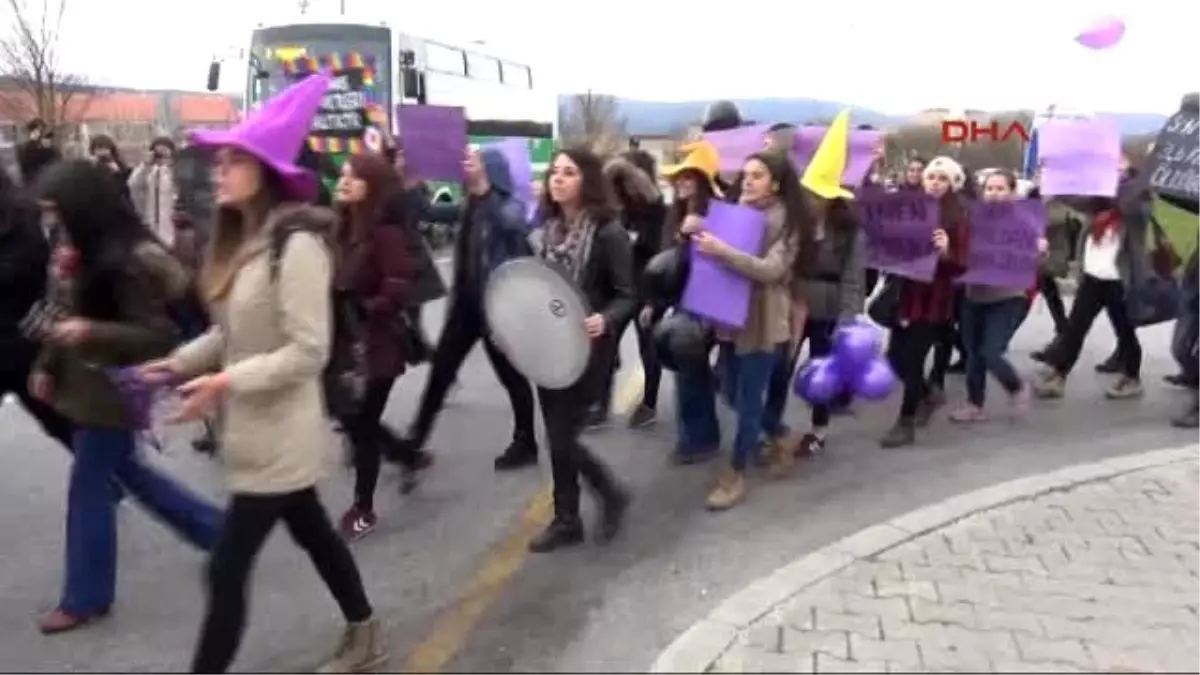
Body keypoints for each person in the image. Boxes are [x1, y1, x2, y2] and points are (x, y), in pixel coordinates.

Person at [140, 73, 387, 672]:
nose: (218, 170)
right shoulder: (248, 242)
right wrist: (175, 365)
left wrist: (225, 382)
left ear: (263, 171)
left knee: (224, 569)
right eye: (220, 159)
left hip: (281, 434)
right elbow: (232, 333)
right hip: (252, 433)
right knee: (316, 535)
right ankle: (366, 630)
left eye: (232, 160)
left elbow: (308, 351)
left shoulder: (296, 246)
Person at [30, 159, 222, 634]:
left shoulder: (129, 258)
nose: (53, 221)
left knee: (89, 488)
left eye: (59, 211)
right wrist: (45, 364)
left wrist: (88, 331)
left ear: (84, 208)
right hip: (84, 384)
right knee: (130, 474)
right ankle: (219, 530)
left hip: (115, 390)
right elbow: (60, 312)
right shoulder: (76, 247)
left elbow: (156, 335)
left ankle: (85, 597)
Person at [390, 146, 540, 471]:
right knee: (441, 371)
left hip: (496, 307)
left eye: (473, 159)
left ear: (490, 169)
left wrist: (484, 190)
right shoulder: (470, 204)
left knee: (511, 376)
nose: (464, 161)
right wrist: (411, 180)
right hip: (466, 307)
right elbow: (430, 212)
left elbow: (513, 224)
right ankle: (415, 441)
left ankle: (526, 441)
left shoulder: (507, 205)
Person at [526, 147, 633, 552]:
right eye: (554, 172)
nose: (558, 179)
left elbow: (627, 295)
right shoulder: (545, 231)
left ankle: (609, 494)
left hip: (589, 351)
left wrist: (605, 319)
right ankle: (567, 518)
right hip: (547, 346)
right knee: (557, 436)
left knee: (561, 436)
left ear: (586, 180)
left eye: (569, 172)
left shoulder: (608, 232)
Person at [686, 150, 806, 509]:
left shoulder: (786, 221)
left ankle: (736, 475)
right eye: (747, 173)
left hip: (762, 321)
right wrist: (699, 228)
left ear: (776, 182)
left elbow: (771, 271)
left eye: (758, 175)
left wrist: (721, 250)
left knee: (749, 401)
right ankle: (784, 434)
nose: (749, 181)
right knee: (731, 392)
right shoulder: (737, 210)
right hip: (730, 316)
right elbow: (715, 250)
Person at [331, 152, 431, 541]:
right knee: (354, 418)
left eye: (352, 177)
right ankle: (407, 455)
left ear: (372, 185)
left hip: (377, 347)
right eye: (341, 175)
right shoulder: (342, 227)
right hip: (347, 345)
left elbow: (398, 287)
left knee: (362, 425)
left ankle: (363, 508)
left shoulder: (384, 232)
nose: (343, 182)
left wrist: (364, 305)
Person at [764, 194, 863, 465]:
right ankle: (771, 429)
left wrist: (847, 319)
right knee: (780, 367)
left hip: (828, 308)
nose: (812, 199)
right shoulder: (795, 222)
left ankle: (819, 430)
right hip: (793, 303)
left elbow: (854, 278)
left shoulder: (849, 230)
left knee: (821, 371)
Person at [880, 155, 969, 448]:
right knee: (895, 359)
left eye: (943, 178)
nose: (935, 183)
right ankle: (928, 395)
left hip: (934, 300)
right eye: (932, 177)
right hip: (904, 295)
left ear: (953, 184)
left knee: (914, 360)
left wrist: (946, 251)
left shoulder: (958, 217)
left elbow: (963, 265)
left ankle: (905, 424)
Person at [1031, 186, 1149, 401]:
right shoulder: (1095, 212)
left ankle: (1132, 377)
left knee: (1124, 331)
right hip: (1093, 279)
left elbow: (1138, 202)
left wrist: (1126, 185)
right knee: (1075, 328)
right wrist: (1057, 186)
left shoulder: (1133, 216)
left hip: (1118, 282)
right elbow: (1076, 200)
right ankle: (1059, 374)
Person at [950, 169, 1035, 422]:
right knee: (973, 352)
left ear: (1011, 192)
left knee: (990, 351)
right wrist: (947, 250)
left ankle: (1016, 386)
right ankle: (975, 405)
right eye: (989, 189)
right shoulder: (973, 219)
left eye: (1000, 189)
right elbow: (960, 255)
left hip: (1007, 297)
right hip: (974, 296)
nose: (994, 194)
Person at [0, 165, 75, 452]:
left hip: (25, 342)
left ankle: (109, 481)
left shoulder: (22, 216)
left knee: (66, 427)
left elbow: (27, 269)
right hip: (15, 341)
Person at [657, 142, 722, 465]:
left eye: (689, 177)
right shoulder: (678, 214)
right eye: (678, 176)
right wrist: (653, 304)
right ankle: (697, 435)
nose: (681, 182)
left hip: (707, 304)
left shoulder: (719, 213)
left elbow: (736, 252)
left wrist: (706, 228)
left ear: (703, 181)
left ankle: (700, 438)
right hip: (683, 302)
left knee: (689, 374)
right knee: (688, 372)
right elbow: (669, 265)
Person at [599, 152, 667, 429]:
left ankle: (648, 404)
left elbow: (657, 252)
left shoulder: (655, 209)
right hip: (619, 288)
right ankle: (599, 402)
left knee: (648, 348)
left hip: (647, 287)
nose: (626, 186)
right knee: (604, 345)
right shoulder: (614, 208)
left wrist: (653, 300)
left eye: (631, 179)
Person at [127, 136, 178, 244]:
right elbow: (133, 184)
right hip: (150, 222)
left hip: (171, 224)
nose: (161, 155)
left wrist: (169, 166)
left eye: (165, 151)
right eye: (158, 152)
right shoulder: (147, 170)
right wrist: (145, 164)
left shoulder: (175, 170)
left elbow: (179, 191)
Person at [17, 119, 60, 186]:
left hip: (45, 184)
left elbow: (55, 166)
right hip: (30, 183)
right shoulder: (24, 150)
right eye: (34, 131)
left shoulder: (50, 151)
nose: (37, 134)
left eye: (39, 131)